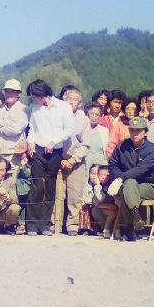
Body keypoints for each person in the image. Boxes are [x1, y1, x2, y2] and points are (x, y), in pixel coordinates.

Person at [25, 79, 75, 235]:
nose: (32, 99)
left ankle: (45, 224)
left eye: (33, 95)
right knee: (37, 186)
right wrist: (30, 142)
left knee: (50, 187)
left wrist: (54, 142)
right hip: (38, 150)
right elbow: (32, 128)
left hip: (55, 151)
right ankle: (31, 224)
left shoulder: (63, 106)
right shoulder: (34, 108)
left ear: (41, 94)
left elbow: (69, 129)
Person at [106, 117, 154, 242]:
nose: (135, 134)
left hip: (146, 185)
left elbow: (141, 169)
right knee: (129, 186)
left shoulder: (152, 150)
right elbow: (112, 164)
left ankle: (129, 228)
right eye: (132, 130)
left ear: (145, 132)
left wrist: (121, 178)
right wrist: (121, 178)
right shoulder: (122, 146)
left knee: (128, 186)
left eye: (138, 131)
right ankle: (135, 217)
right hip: (126, 185)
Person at [53, 87, 89, 235]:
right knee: (57, 195)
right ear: (63, 100)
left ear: (79, 103)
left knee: (75, 196)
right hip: (58, 160)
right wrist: (60, 158)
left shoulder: (84, 120)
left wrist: (73, 160)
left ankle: (73, 226)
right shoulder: (55, 116)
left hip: (77, 162)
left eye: (75, 100)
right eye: (69, 99)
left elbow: (86, 145)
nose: (71, 102)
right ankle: (55, 225)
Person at [0, 78, 28, 166]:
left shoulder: (23, 109)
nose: (9, 94)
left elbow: (14, 130)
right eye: (7, 91)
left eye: (12, 91)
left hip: (14, 156)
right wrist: (5, 123)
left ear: (19, 93)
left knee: (13, 179)